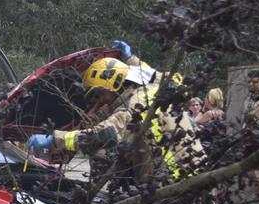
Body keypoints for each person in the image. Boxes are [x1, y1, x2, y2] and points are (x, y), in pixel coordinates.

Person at [27, 56, 200, 184]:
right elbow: (167, 78)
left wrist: (55, 139)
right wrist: (132, 59)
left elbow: (103, 135)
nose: (101, 100)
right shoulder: (156, 90)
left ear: (114, 85)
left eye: (101, 93)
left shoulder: (135, 106)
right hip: (198, 174)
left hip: (174, 184)